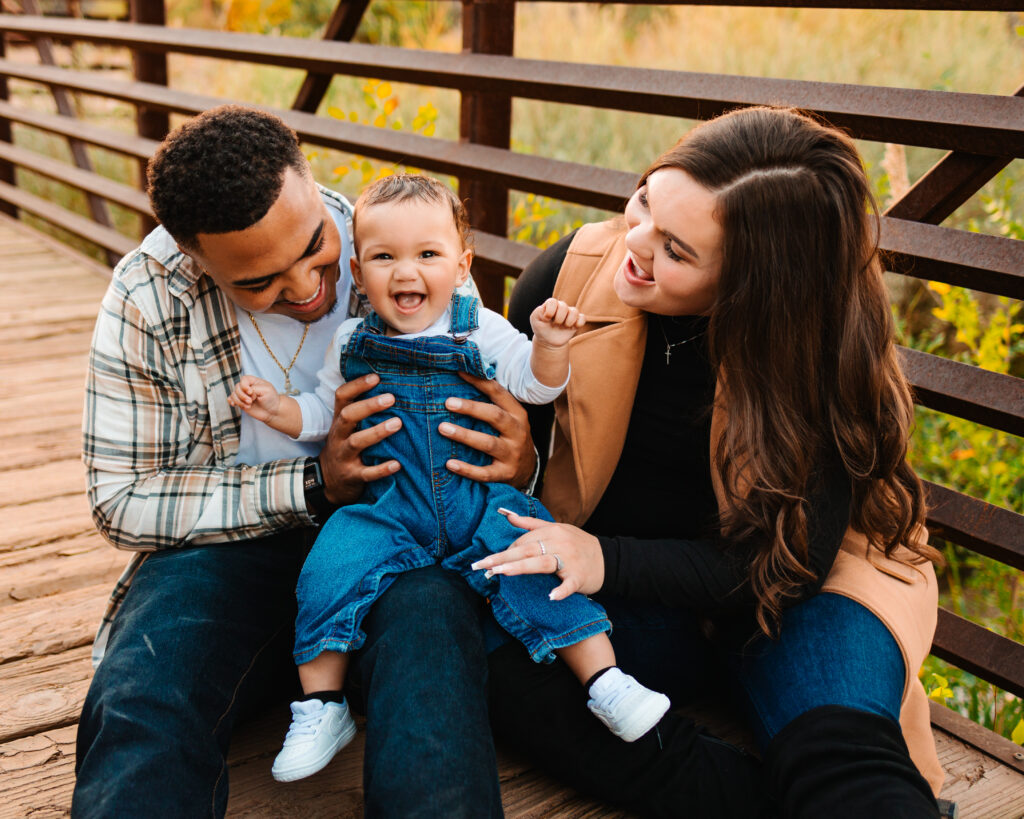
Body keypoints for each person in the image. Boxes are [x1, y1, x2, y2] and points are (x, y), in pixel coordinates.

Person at [475, 106, 945, 818]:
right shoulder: (567, 280)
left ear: (755, 287)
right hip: (641, 605)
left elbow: (787, 566)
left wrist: (606, 557)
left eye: (676, 249)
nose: (633, 242)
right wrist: (520, 462)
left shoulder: (811, 353)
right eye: (643, 203)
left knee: (843, 761)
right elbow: (532, 461)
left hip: (800, 598)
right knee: (484, 651)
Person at [74, 106, 537, 818]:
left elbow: (496, 396)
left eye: (316, 245)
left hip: (399, 535)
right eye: (259, 281)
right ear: (197, 259)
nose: (305, 286)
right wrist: (313, 481)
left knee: (431, 671)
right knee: (146, 691)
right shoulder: (147, 293)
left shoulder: (398, 241)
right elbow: (123, 497)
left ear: (312, 184)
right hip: (228, 549)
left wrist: (521, 456)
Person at [228, 173, 671, 783]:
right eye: (384, 257)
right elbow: (321, 412)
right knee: (328, 569)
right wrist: (275, 407)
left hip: (481, 500)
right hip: (391, 508)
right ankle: (321, 706)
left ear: (461, 265)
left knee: (540, 565)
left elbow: (536, 385)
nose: (405, 272)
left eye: (428, 254)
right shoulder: (352, 340)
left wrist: (549, 344)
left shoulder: (478, 328)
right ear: (359, 272)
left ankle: (606, 680)